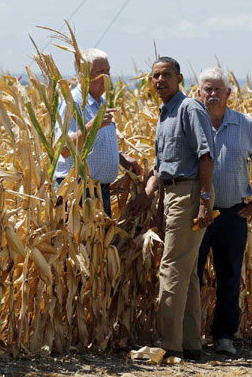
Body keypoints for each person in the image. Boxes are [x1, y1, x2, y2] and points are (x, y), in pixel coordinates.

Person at [130, 56, 215, 361]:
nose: (159, 80)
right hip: (173, 194)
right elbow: (159, 166)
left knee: (171, 268)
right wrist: (150, 195)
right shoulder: (165, 114)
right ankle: (190, 345)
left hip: (190, 193)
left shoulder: (189, 108)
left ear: (179, 77)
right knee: (188, 272)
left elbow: (206, 156)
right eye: (154, 76)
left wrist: (205, 200)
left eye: (166, 74)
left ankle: (168, 345)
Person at [195, 67, 252, 355]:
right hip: (199, 215)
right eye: (207, 89)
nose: (213, 94)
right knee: (194, 276)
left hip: (232, 214)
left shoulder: (246, 125)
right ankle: (191, 335)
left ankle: (224, 335)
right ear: (199, 93)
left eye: (218, 89)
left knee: (229, 277)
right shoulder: (193, 125)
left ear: (229, 93)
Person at [54, 48, 141, 217]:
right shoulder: (72, 103)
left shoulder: (100, 103)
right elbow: (63, 149)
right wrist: (93, 126)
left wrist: (121, 158)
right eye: (101, 72)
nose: (107, 77)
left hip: (100, 193)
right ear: (83, 76)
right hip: (78, 193)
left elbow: (94, 145)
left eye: (108, 71)